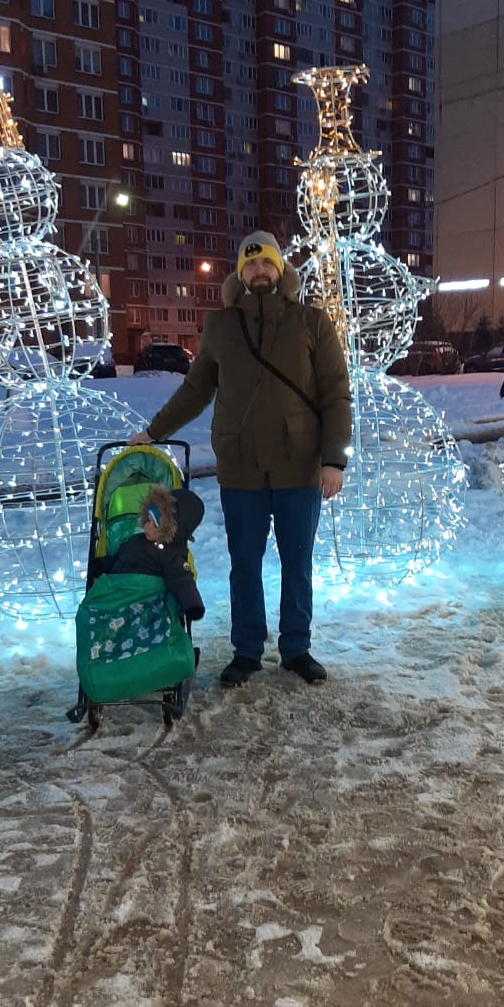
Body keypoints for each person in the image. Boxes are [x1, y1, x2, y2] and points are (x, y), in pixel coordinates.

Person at [129, 230, 352, 687]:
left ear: (280, 269)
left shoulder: (311, 322)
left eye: (266, 262)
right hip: (241, 468)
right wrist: (153, 432)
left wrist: (334, 459)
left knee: (297, 563)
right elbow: (196, 389)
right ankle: (246, 650)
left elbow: (335, 392)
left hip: (298, 465)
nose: (259, 270)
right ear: (240, 274)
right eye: (250, 264)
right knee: (244, 564)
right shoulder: (222, 327)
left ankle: (297, 648)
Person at [95, 483, 205, 621]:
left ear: (171, 529)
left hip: (141, 608)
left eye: (154, 525)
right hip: (116, 595)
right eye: (148, 520)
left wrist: (193, 606)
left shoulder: (171, 555)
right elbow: (117, 560)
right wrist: (99, 566)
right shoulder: (136, 540)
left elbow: (182, 580)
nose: (146, 526)